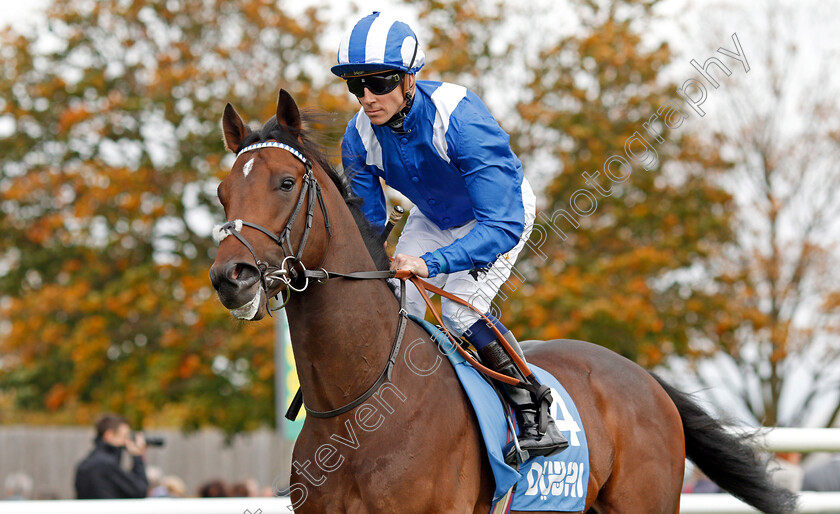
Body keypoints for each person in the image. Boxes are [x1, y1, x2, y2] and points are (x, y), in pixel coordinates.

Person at [333, 11, 567, 459]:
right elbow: (370, 226)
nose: (366, 98)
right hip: (433, 217)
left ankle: (535, 409)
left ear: (409, 81)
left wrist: (430, 264)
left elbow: (501, 224)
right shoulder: (358, 138)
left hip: (497, 216)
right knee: (400, 307)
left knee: (460, 313)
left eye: (379, 83)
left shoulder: (460, 117)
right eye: (354, 85)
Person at [74, 414, 149, 499]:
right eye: (125, 436)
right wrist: (137, 456)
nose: (127, 442)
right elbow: (140, 491)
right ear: (109, 435)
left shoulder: (85, 464)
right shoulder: (106, 465)